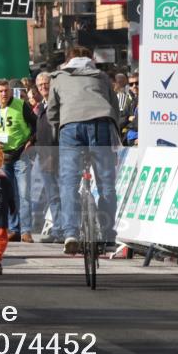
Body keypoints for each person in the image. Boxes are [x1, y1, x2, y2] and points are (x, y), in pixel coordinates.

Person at [47, 46, 121, 255]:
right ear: (90, 59)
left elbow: (52, 110)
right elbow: (114, 106)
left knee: (68, 181)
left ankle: (70, 233)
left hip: (71, 126)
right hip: (101, 124)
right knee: (106, 183)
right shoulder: (102, 76)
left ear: (68, 60)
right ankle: (107, 237)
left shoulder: (59, 77)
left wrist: (58, 125)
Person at [0, 78, 38, 242]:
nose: (4, 94)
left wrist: (32, 140)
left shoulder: (21, 105)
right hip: (2, 157)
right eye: (0, 91)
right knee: (7, 194)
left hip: (21, 154)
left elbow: (37, 124)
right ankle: (14, 229)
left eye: (6, 90)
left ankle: (26, 230)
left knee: (24, 192)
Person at [31, 72, 63, 243]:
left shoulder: (57, 102)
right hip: (44, 155)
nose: (43, 87)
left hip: (57, 154)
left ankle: (65, 230)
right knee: (52, 195)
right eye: (40, 85)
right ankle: (58, 229)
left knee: (62, 193)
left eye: (46, 83)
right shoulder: (42, 105)